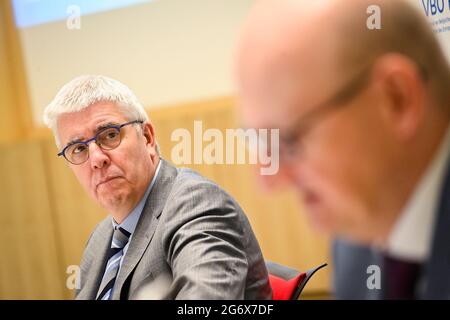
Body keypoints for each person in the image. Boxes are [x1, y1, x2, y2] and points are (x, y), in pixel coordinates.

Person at [235, 0, 450, 299]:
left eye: (291, 141)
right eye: (260, 141)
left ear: (396, 98)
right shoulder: (355, 240)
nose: (268, 182)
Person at [43, 75, 271, 300]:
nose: (96, 159)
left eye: (110, 135)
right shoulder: (100, 239)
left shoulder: (197, 205)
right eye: (78, 149)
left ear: (147, 137)